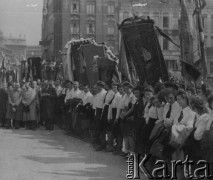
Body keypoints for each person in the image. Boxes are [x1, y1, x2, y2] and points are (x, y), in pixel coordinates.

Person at [120, 81, 137, 155]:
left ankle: (132, 152)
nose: (126, 90)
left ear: (131, 88)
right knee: (125, 134)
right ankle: (126, 150)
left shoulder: (133, 96)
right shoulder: (125, 96)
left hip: (130, 117)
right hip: (125, 116)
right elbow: (123, 106)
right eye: (124, 89)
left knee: (130, 135)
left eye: (127, 89)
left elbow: (132, 108)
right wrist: (122, 114)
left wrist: (126, 114)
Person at [93, 81, 107, 151]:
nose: (98, 87)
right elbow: (95, 105)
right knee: (97, 127)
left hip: (102, 111)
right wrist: (96, 112)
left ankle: (102, 144)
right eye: (97, 86)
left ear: (102, 86)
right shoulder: (98, 93)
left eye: (99, 86)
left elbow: (104, 104)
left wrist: (101, 114)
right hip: (97, 111)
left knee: (101, 128)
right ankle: (98, 143)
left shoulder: (105, 93)